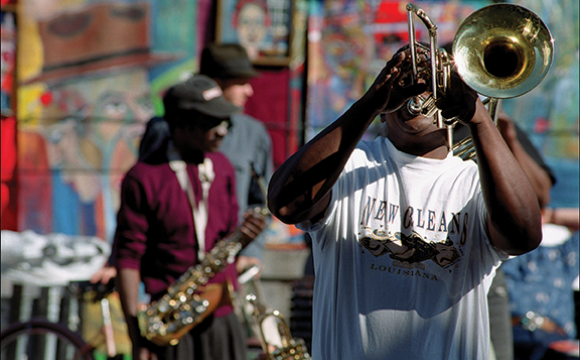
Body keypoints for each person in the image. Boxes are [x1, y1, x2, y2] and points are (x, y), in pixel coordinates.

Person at [266, 45, 542, 359]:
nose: (420, 95)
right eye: (408, 83)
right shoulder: (350, 166)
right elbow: (286, 204)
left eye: (433, 87)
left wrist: (476, 115)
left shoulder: (475, 183)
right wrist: (371, 101)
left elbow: (525, 236)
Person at [113, 74, 267, 360]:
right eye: (211, 122)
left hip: (222, 320)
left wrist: (244, 238)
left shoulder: (223, 168)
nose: (222, 131)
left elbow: (223, 240)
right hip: (171, 327)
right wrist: (138, 336)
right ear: (181, 124)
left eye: (223, 122)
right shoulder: (143, 178)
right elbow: (128, 257)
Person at [199, 43, 274, 276]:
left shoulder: (254, 133)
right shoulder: (166, 130)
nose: (249, 91)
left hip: (230, 265)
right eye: (241, 83)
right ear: (216, 84)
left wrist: (252, 250)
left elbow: (262, 202)